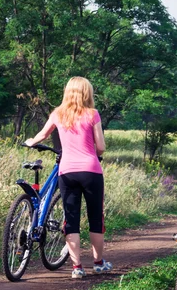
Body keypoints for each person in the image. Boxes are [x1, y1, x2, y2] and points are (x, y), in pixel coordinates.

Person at [24, 77, 112, 279]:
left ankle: (77, 267)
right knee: (95, 217)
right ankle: (98, 263)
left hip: (67, 172)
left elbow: (41, 135)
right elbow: (101, 147)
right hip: (91, 171)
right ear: (87, 93)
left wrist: (31, 142)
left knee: (70, 219)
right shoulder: (92, 114)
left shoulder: (58, 114)